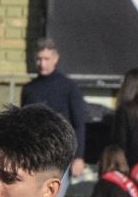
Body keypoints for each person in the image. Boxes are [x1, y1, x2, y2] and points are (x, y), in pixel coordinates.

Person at [18, 38, 89, 181]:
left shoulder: (69, 87)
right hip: (34, 156)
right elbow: (23, 126)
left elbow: (79, 124)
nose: (42, 63)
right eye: (39, 59)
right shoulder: (29, 89)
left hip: (61, 155)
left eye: (46, 59)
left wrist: (79, 157)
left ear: (55, 59)